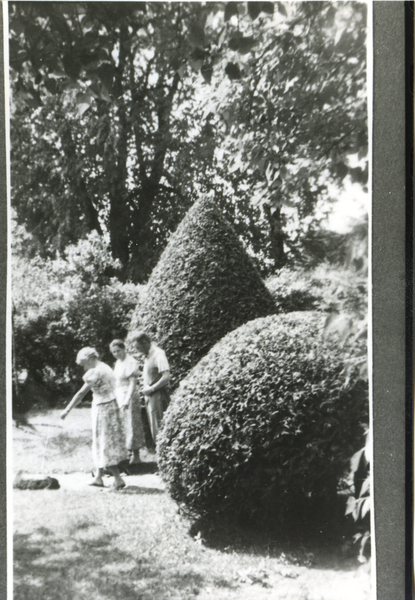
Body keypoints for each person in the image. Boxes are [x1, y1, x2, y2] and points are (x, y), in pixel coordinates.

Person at [60, 347, 127, 489]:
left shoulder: (97, 372)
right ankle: (98, 477)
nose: (84, 367)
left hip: (103, 407)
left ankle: (118, 478)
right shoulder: (106, 367)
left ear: (90, 359)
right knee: (102, 441)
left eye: (84, 364)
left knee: (104, 442)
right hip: (110, 405)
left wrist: (67, 410)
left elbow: (81, 393)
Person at [110, 339, 146, 464]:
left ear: (124, 348)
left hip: (129, 395)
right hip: (119, 395)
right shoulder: (118, 363)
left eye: (118, 351)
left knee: (132, 424)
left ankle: (136, 456)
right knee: (122, 425)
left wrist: (127, 399)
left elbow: (132, 383)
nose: (116, 354)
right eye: (113, 352)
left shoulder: (130, 361)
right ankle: (126, 454)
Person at [130, 332, 170, 442]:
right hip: (150, 397)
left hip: (158, 396)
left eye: (138, 347)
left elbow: (166, 377)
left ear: (145, 343)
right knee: (155, 428)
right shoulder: (147, 355)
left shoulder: (158, 354)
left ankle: (164, 455)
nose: (137, 350)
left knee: (160, 427)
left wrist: (152, 388)